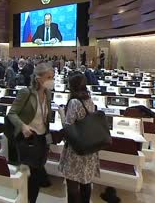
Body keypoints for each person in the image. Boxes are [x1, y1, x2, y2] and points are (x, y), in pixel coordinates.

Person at [7, 63, 53, 203]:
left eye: (52, 77)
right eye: (49, 77)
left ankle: (30, 198)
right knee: (31, 176)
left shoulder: (48, 93)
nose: (52, 80)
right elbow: (12, 113)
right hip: (28, 139)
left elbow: (45, 116)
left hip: (42, 139)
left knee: (37, 173)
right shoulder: (26, 93)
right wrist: (23, 126)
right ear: (39, 78)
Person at [59, 73, 100, 203]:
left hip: (76, 149)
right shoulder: (89, 100)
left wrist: (61, 114)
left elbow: (68, 127)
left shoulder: (74, 102)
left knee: (72, 184)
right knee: (85, 182)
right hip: (88, 147)